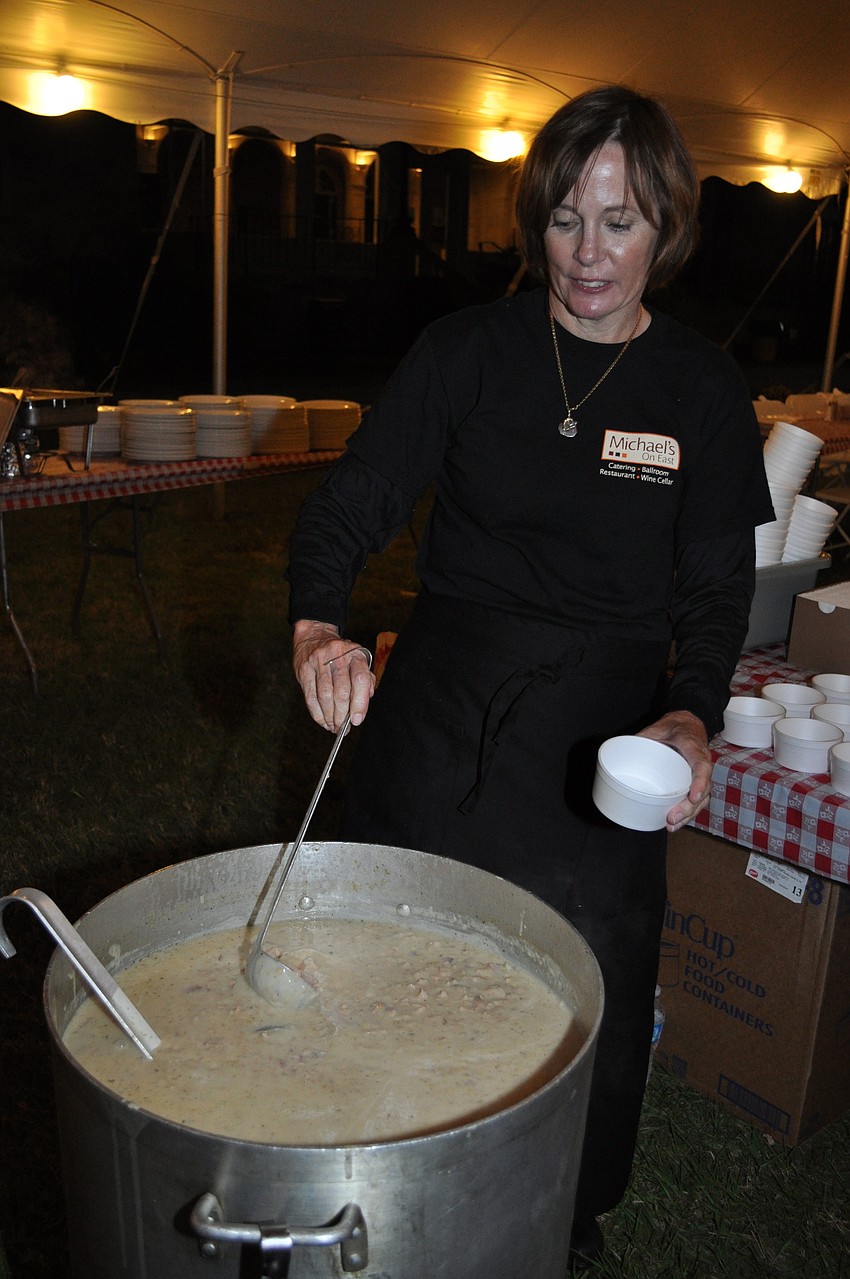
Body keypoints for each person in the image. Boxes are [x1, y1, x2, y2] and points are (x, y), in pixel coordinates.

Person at [286, 84, 773, 1270]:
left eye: (618, 221)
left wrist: (690, 715)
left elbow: (715, 592)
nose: (588, 253)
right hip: (442, 704)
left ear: (666, 225)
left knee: (583, 984)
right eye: (563, 218)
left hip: (601, 739)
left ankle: (563, 1211)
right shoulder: (467, 353)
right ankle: (378, 1171)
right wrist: (314, 628)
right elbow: (351, 506)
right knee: (403, 957)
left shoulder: (702, 394)